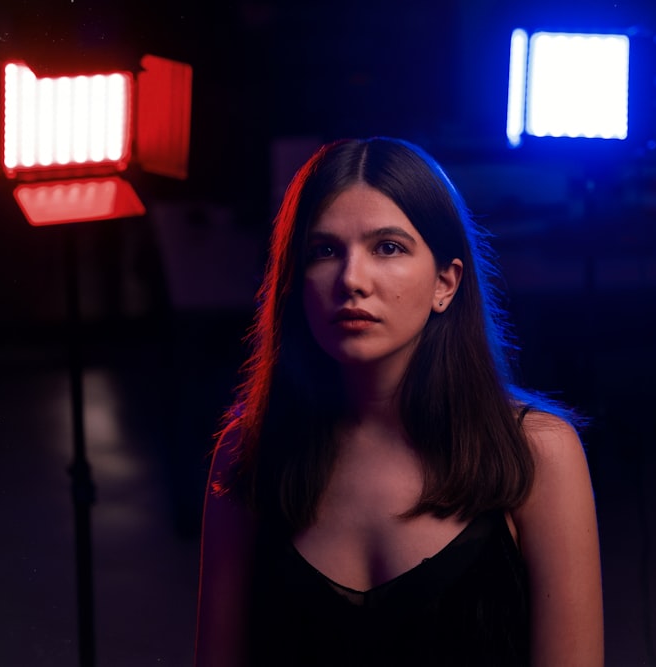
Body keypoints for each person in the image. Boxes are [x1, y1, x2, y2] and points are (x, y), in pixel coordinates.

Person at [194, 137, 603, 666]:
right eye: (324, 250)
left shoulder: (539, 454)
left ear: (445, 283)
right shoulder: (248, 451)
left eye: (388, 247)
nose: (351, 280)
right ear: (295, 282)